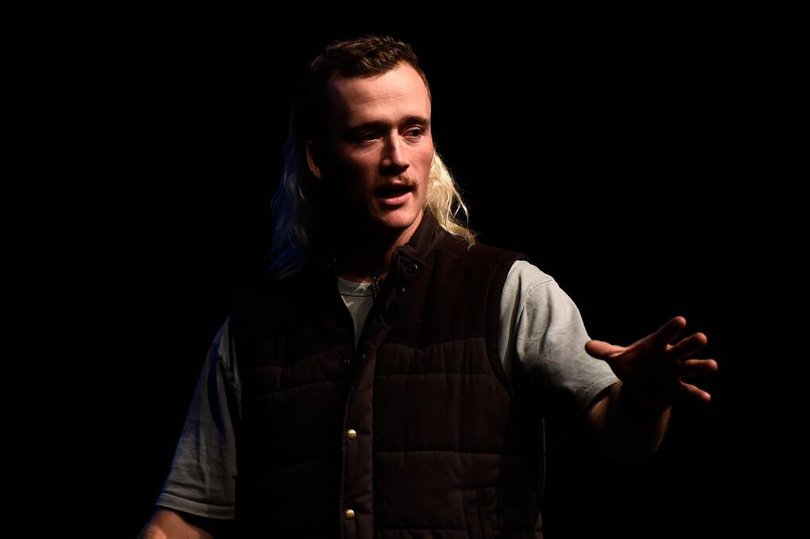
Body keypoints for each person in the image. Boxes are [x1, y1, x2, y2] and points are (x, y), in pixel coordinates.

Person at [139, 35, 717, 538]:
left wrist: (644, 398)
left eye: (413, 130)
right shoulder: (253, 329)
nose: (398, 158)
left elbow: (620, 436)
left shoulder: (509, 291)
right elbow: (188, 517)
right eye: (368, 136)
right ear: (318, 157)